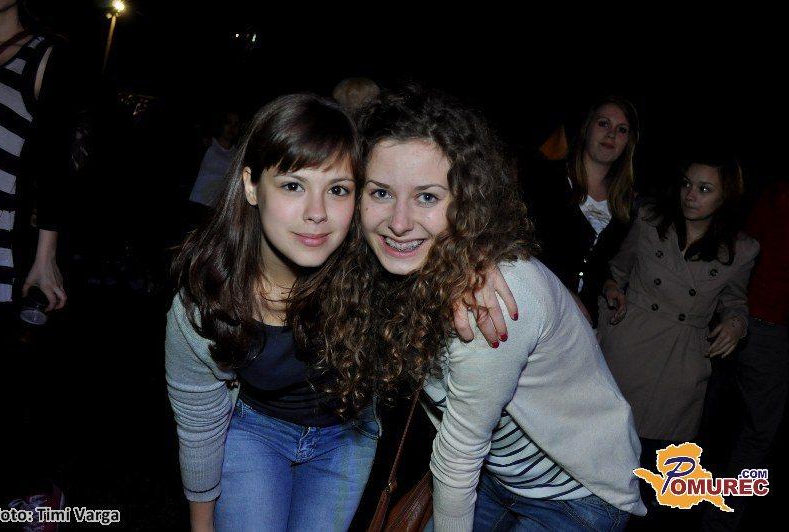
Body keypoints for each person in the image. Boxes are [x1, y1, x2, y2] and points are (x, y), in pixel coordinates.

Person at [166, 93, 513, 532]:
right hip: (254, 432)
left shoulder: (376, 268)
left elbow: (442, 232)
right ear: (252, 185)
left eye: (338, 190)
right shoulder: (208, 299)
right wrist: (202, 526)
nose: (317, 213)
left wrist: (476, 262)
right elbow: (198, 425)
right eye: (293, 185)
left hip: (346, 440)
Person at [312, 85, 646, 531]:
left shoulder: (488, 301)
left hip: (575, 492)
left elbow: (458, 457)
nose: (399, 222)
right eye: (381, 193)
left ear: (466, 201)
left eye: (427, 197)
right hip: (496, 475)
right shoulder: (388, 271)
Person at [597, 154, 759, 480]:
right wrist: (612, 287)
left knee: (649, 471)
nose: (690, 195)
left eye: (704, 189)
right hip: (628, 345)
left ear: (724, 197)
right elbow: (617, 269)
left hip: (678, 365)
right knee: (599, 451)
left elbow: (735, 302)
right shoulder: (650, 220)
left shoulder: (740, 250)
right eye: (687, 184)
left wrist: (735, 325)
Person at [0, 0, 75, 521]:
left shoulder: (43, 56)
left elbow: (54, 166)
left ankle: (31, 491)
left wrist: (45, 259)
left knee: (7, 388)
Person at [702, 179, 789, 531]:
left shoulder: (772, 192)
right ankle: (719, 521)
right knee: (755, 433)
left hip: (734, 313)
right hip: (760, 322)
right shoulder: (776, 195)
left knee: (717, 422)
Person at [523, 96, 639, 326]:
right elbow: (522, 247)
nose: (611, 134)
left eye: (622, 129)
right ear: (587, 128)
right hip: (532, 305)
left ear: (628, 141)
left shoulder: (623, 204)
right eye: (603, 123)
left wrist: (608, 285)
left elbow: (594, 262)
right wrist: (564, 293)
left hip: (579, 322)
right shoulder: (545, 179)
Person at [188, 110, 240, 210]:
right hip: (194, 204)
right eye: (228, 122)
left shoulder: (237, 155)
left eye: (236, 124)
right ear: (221, 124)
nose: (232, 128)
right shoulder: (207, 144)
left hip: (214, 210)